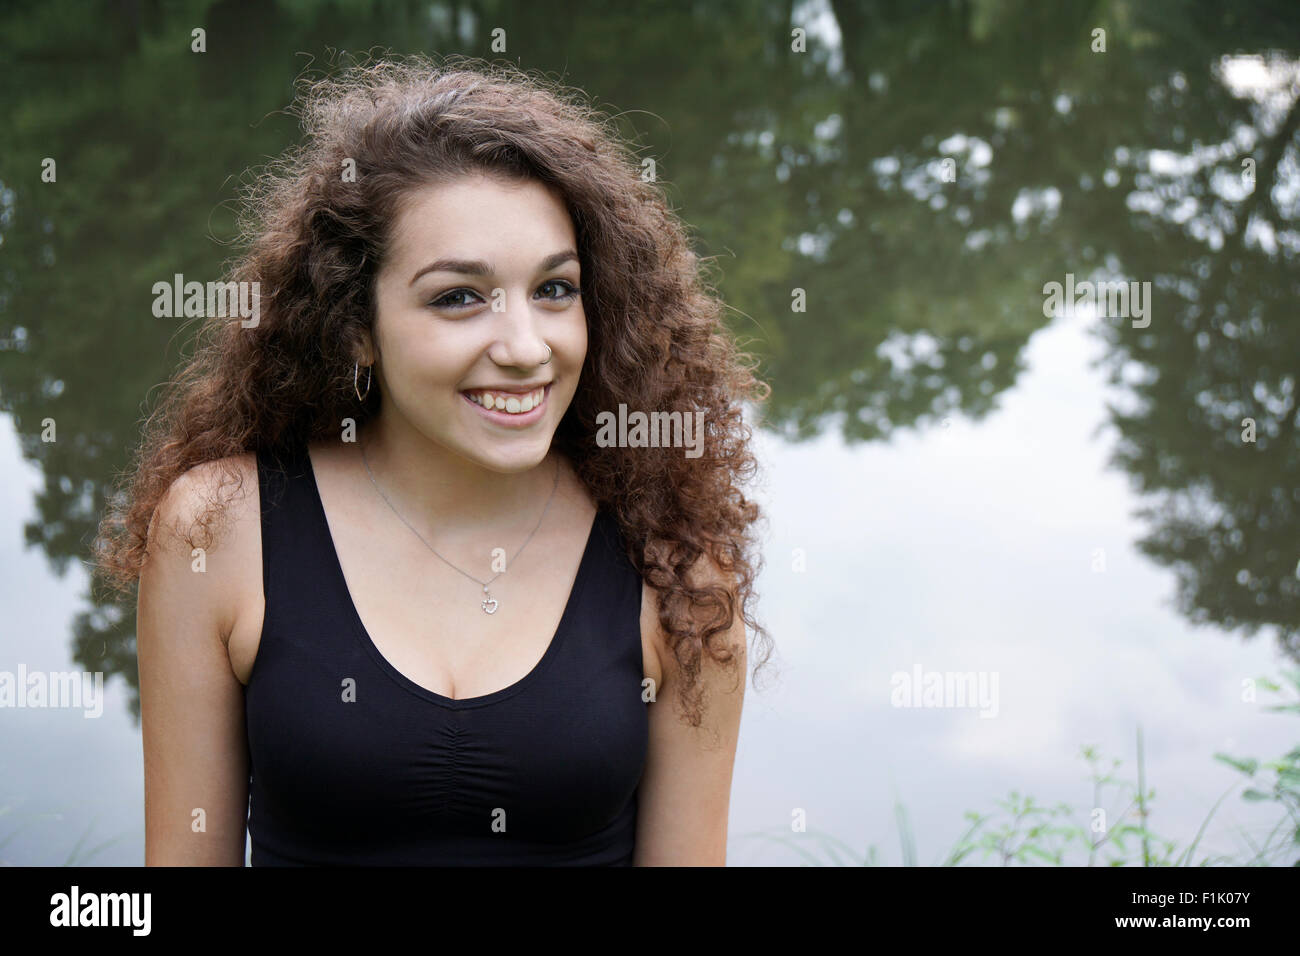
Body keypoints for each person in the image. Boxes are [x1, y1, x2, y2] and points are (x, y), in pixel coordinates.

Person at [94, 55, 771, 866]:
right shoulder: (220, 529)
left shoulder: (673, 565)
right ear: (354, 326)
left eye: (554, 290)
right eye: (459, 296)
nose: (526, 347)